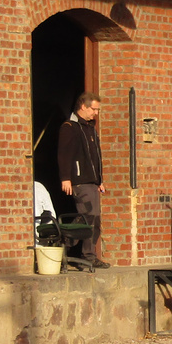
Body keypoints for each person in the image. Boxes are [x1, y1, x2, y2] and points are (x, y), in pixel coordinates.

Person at [58, 92, 109, 268]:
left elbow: (97, 156)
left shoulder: (90, 128)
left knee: (93, 219)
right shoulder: (70, 127)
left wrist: (100, 180)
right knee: (89, 217)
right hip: (79, 181)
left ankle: (71, 247)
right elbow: (64, 154)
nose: (96, 113)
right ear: (83, 107)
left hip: (92, 182)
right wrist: (66, 178)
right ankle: (80, 252)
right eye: (94, 109)